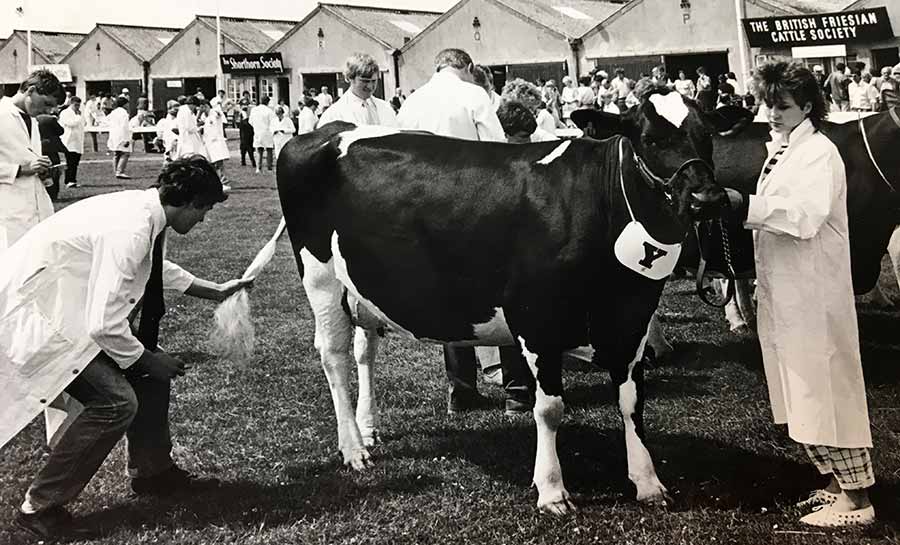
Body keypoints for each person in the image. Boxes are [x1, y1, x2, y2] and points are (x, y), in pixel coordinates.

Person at [1, 156, 253, 541]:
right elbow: (104, 324)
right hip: (40, 320)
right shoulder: (133, 227)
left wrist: (214, 290)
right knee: (117, 401)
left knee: (149, 379)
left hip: (64, 311)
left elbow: (152, 267)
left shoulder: (145, 212)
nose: (202, 220)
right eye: (203, 210)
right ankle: (39, 507)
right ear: (188, 202)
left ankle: (152, 473)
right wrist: (150, 359)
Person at [724, 61, 875, 528]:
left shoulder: (819, 153)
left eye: (781, 105)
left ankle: (858, 502)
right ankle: (833, 484)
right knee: (804, 391)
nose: (770, 112)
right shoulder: (788, 148)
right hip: (789, 292)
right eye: (765, 103)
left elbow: (805, 217)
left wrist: (740, 204)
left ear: (808, 105)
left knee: (826, 389)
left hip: (814, 295)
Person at [398, 48, 519, 414]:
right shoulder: (474, 94)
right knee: (506, 293)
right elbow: (500, 155)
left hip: (427, 213)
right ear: (466, 68)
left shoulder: (412, 102)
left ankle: (462, 390)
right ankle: (517, 389)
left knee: (450, 297)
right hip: (476, 205)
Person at [0, 70, 61, 252]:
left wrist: (42, 169)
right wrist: (20, 169)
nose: (48, 110)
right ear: (31, 91)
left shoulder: (32, 121)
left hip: (35, 205)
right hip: (7, 209)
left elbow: (24, 155)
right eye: (46, 103)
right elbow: (21, 166)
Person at [318, 53, 397, 128]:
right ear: (350, 78)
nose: (370, 86)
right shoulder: (334, 115)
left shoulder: (385, 107)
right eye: (364, 81)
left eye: (373, 81)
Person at [200, 101, 230, 188]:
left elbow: (220, 116)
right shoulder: (203, 116)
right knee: (210, 164)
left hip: (216, 142)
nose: (202, 109)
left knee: (218, 163)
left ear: (207, 106)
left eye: (203, 107)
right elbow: (199, 123)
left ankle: (224, 182)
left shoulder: (215, 113)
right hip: (207, 143)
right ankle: (215, 182)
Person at [37, 112, 65, 201]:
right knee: (54, 171)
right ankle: (53, 193)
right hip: (51, 148)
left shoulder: (33, 119)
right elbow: (61, 131)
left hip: (38, 147)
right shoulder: (51, 119)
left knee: (41, 171)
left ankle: (42, 193)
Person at [59, 95, 84, 188]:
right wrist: (78, 116)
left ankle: (73, 180)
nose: (77, 107)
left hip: (77, 140)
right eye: (76, 105)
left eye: (78, 105)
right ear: (71, 104)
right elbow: (71, 123)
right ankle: (68, 180)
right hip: (69, 140)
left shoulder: (79, 113)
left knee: (75, 162)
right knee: (70, 162)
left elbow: (81, 125)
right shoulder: (65, 113)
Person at [106, 96, 132, 179]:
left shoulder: (113, 112)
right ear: (124, 104)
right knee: (125, 153)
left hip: (113, 135)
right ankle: (120, 171)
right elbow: (124, 126)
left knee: (116, 153)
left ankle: (116, 171)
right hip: (122, 134)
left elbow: (106, 121)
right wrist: (126, 139)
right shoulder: (124, 113)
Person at [249, 95, 276, 173]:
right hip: (267, 131)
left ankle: (258, 168)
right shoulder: (269, 111)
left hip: (257, 131)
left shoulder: (254, 110)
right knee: (269, 150)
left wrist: (256, 127)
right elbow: (273, 122)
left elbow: (250, 121)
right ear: (268, 102)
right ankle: (269, 168)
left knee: (259, 150)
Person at [175, 95, 205, 160]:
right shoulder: (186, 112)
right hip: (188, 137)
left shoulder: (186, 111)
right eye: (194, 106)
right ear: (191, 104)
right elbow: (189, 127)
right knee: (188, 155)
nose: (194, 108)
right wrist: (198, 127)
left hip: (188, 137)